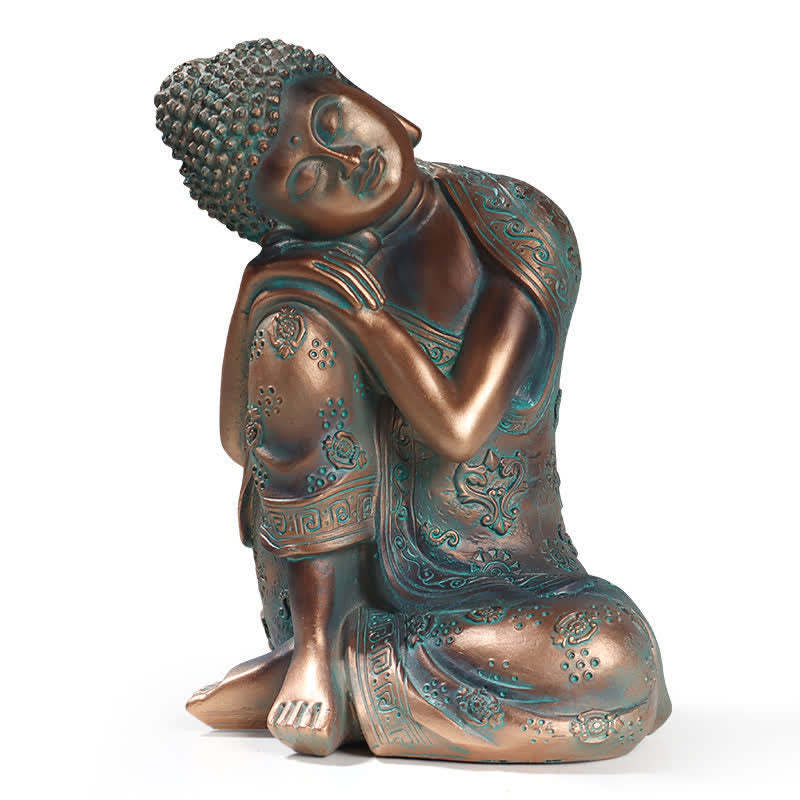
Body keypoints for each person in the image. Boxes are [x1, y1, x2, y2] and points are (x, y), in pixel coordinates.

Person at [155, 38, 670, 761]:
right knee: (295, 324)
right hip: (331, 583)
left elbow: (458, 428)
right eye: (308, 180)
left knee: (615, 656)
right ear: (287, 223)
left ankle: (343, 675)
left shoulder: (515, 225)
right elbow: (243, 444)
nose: (344, 161)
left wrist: (371, 321)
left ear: (376, 102)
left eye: (333, 122)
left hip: (512, 579)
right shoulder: (309, 275)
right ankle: (314, 652)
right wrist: (256, 296)